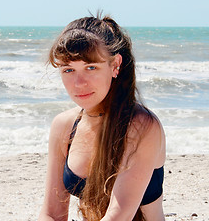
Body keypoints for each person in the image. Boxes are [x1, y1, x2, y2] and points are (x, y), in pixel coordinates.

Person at [38, 13, 166, 221]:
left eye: (91, 68)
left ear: (115, 65)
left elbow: (118, 215)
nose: (78, 83)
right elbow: (51, 213)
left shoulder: (141, 126)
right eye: (68, 69)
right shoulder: (64, 125)